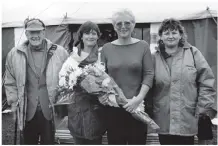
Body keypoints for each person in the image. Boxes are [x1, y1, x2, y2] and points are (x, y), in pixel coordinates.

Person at [152, 18, 217, 145]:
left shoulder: (193, 53)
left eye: (174, 32)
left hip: (188, 118)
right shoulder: (154, 57)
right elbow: (148, 85)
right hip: (163, 119)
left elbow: (206, 81)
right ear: (161, 36)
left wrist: (203, 108)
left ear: (181, 35)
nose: (170, 36)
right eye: (166, 33)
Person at [4, 18, 69, 144]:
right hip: (26, 109)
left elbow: (67, 78)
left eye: (38, 32)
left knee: (49, 142)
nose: (35, 36)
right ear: (26, 33)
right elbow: (10, 80)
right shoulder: (15, 53)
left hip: (51, 109)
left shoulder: (59, 52)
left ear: (44, 32)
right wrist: (13, 102)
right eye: (31, 32)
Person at [101, 9, 154, 144]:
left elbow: (149, 74)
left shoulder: (143, 46)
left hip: (137, 107)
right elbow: (102, 76)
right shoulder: (106, 49)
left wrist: (139, 98)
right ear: (114, 26)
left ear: (133, 24)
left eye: (127, 23)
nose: (123, 26)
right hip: (114, 109)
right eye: (119, 24)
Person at [60, 21, 106, 144]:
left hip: (97, 106)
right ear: (81, 36)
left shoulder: (102, 55)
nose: (90, 36)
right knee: (79, 138)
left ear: (98, 36)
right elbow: (62, 78)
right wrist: (72, 81)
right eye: (87, 33)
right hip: (77, 107)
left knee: (96, 139)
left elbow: (108, 78)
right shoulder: (73, 57)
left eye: (94, 33)